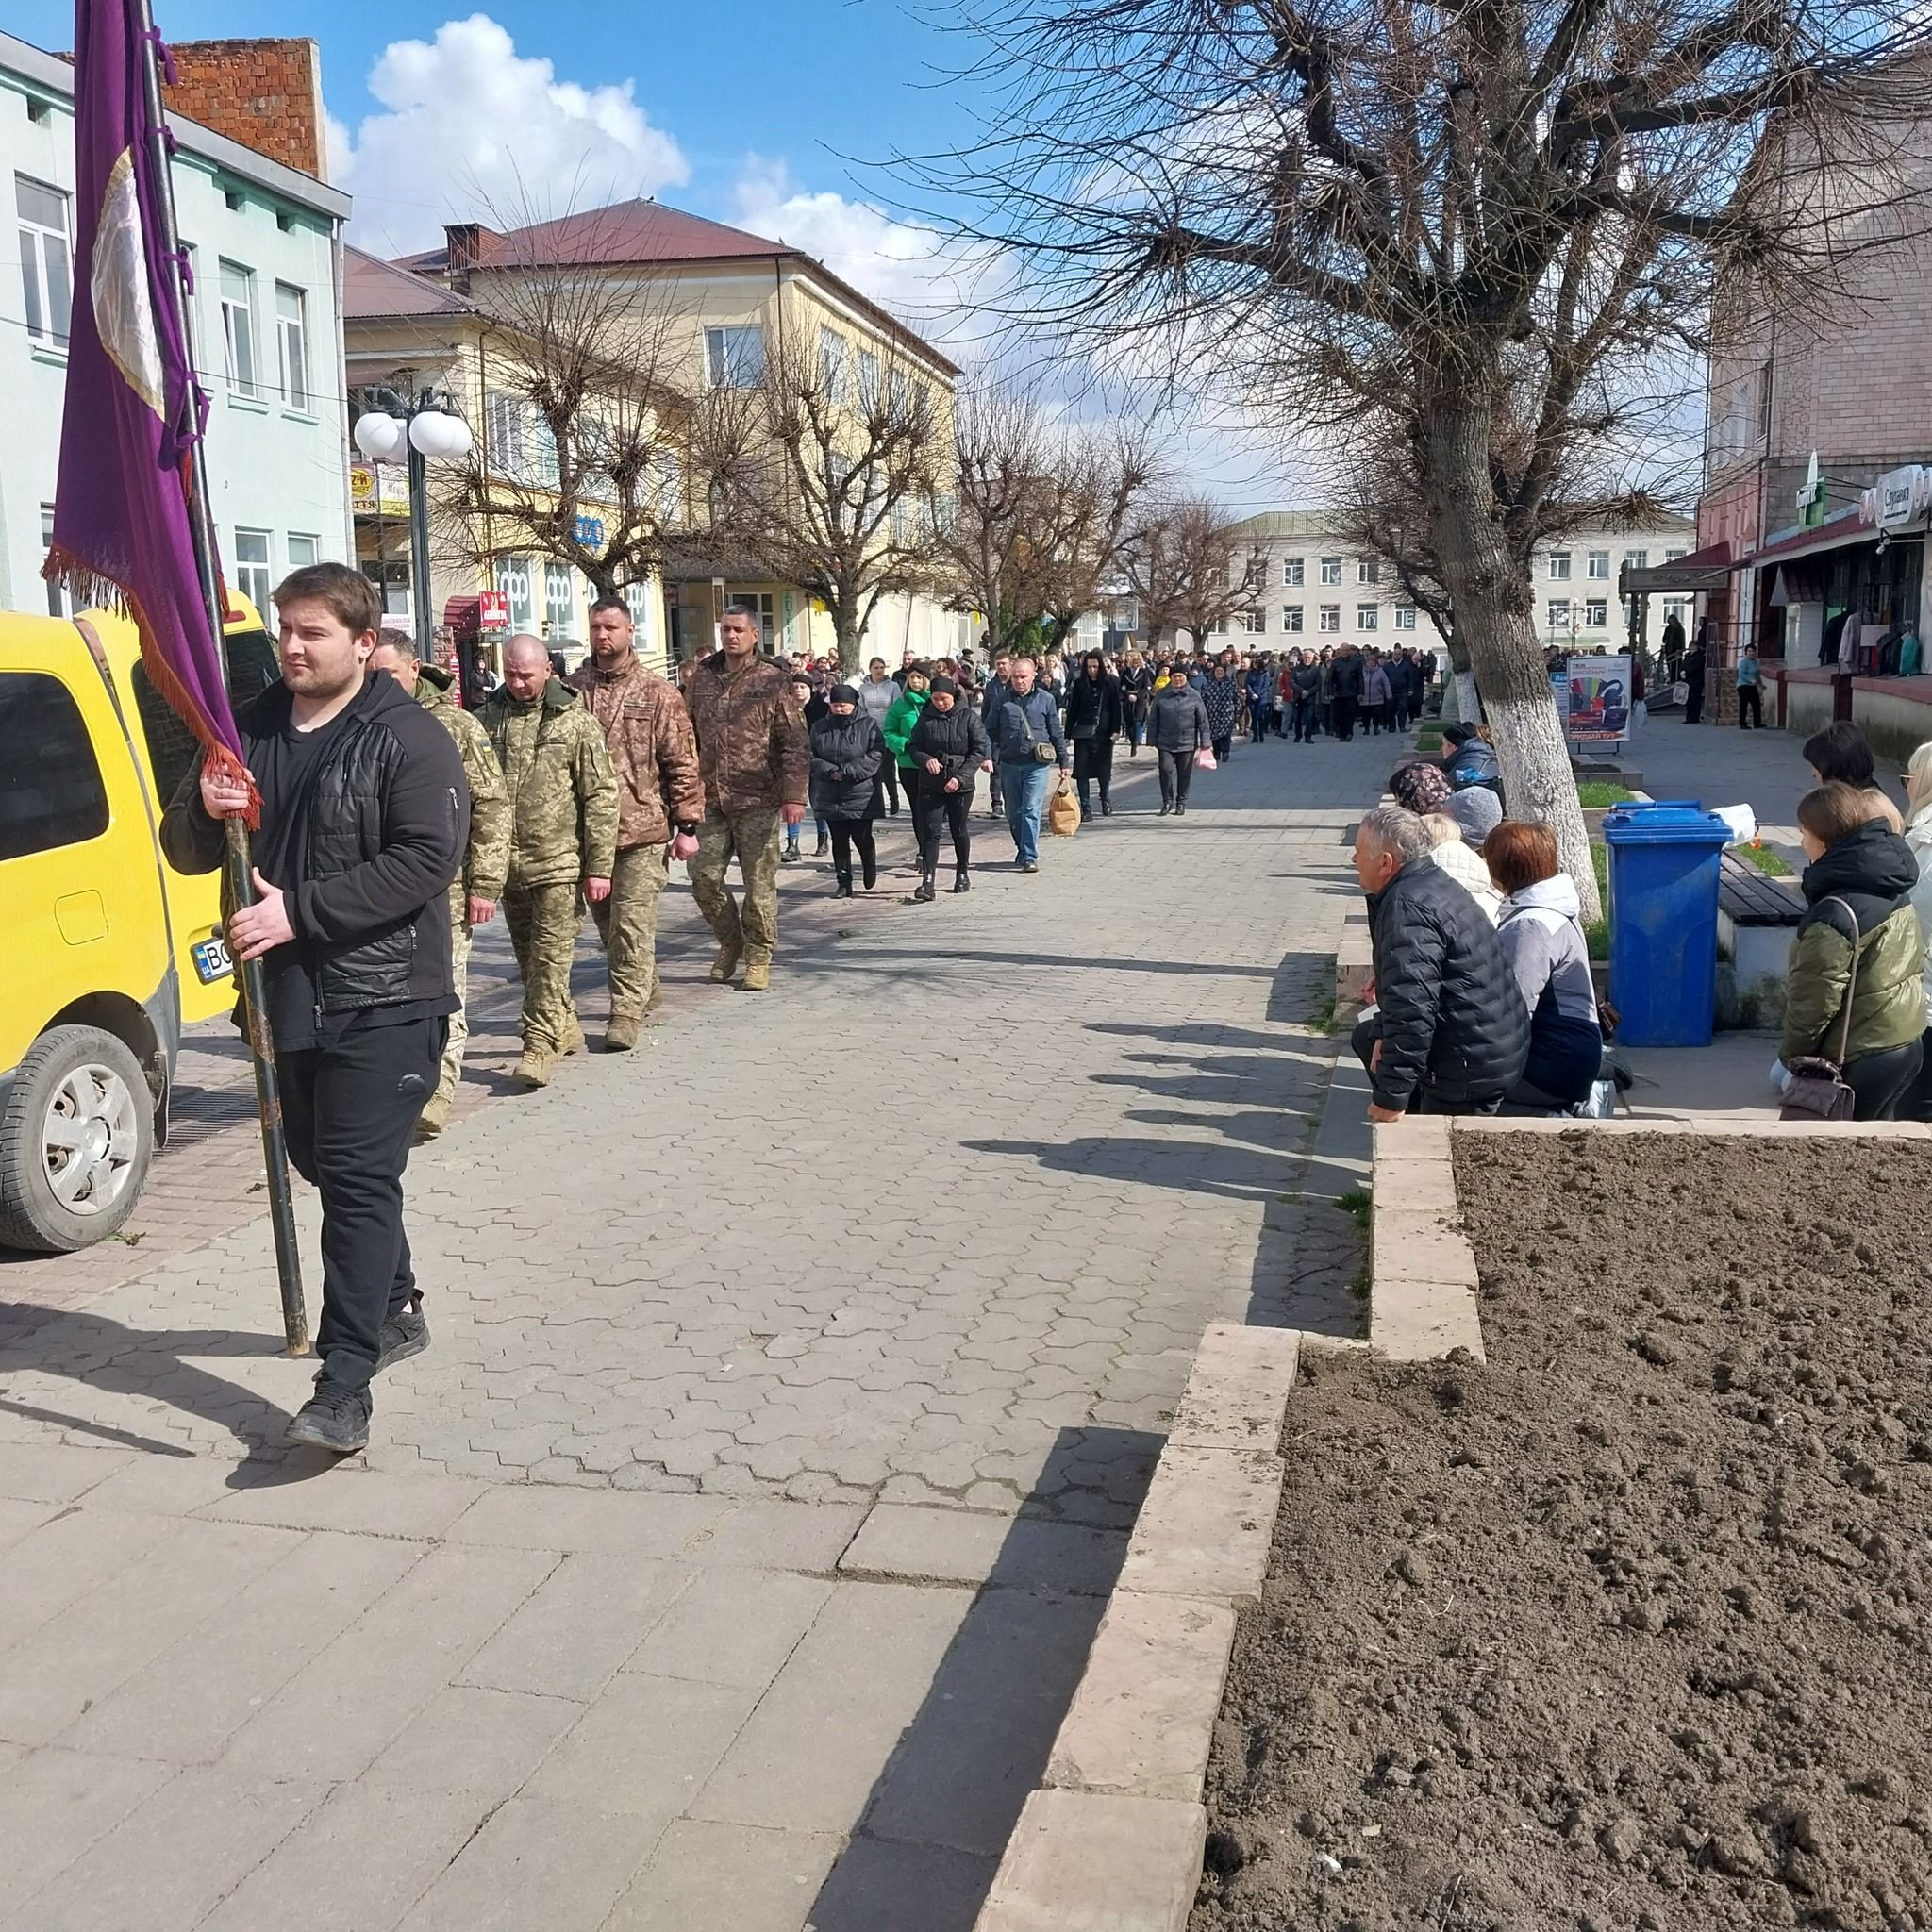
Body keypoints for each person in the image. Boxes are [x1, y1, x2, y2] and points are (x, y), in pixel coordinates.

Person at [160, 563, 467, 1454]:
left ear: (363, 644)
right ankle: (397, 1302)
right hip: (286, 999)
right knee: (323, 1164)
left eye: (315, 633)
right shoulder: (248, 725)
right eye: (287, 630)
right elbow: (184, 847)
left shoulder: (409, 738)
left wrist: (301, 909)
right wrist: (206, 804)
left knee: (360, 1185)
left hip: (387, 994)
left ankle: (343, 1387)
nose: (293, 646)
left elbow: (423, 860)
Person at [367, 631, 509, 1137]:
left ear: (414, 669)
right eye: (370, 673)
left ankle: (436, 1096)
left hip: (444, 895)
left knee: (445, 993)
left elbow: (491, 806)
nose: (377, 683)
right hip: (378, 896)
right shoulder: (358, 723)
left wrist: (485, 883)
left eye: (387, 673)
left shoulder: (455, 726)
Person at [478, 634, 618, 1088]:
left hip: (559, 862)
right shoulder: (487, 718)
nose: (518, 683)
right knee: (527, 959)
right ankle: (565, 1024)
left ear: (547, 671)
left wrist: (599, 866)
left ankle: (538, 1045)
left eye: (527, 675)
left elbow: (600, 796)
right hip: (508, 865)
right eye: (512, 674)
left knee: (551, 960)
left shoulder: (575, 723)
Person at [565, 597, 706, 1049]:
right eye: (595, 627)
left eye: (611, 627)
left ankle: (623, 1013)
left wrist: (687, 825)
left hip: (643, 828)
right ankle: (646, 985)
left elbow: (682, 761)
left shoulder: (657, 693)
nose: (602, 635)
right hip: (590, 833)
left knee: (632, 927)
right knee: (610, 931)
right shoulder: (571, 690)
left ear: (630, 631)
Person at [1349, 806, 1530, 1120]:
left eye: (1358, 852)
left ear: (1385, 862)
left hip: (1469, 1064)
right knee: (1365, 1037)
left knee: (1426, 1154)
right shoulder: (1430, 879)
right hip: (1494, 1044)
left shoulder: (1407, 906)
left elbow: (1412, 1010)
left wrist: (1390, 1098)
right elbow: (1409, 987)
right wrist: (1381, 1034)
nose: (1354, 860)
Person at [1777, 781, 1924, 1118]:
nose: (1801, 843)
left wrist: (1794, 1057)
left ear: (1823, 839)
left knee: (1826, 1154)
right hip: (1905, 1040)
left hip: (1863, 1051)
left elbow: (1815, 998)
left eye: (1804, 833)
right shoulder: (1888, 880)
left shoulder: (1836, 911)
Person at [683, 603, 810, 991]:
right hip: (710, 799)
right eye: (725, 629)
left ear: (755, 635)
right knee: (703, 878)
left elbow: (795, 741)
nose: (731, 636)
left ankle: (758, 954)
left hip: (758, 797)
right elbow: (685, 736)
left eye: (739, 629)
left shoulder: (773, 680)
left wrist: (794, 795)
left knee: (758, 884)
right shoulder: (702, 678)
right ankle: (730, 940)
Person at [1484, 819, 1604, 1110]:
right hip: (1574, 1051)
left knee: (1442, 1072)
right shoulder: (1554, 909)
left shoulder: (1530, 926)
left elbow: (1511, 1011)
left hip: (1555, 1062)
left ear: (1502, 868)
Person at [906, 673, 991, 896]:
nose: (940, 703)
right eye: (935, 699)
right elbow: (913, 747)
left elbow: (978, 750)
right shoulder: (926, 718)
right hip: (931, 784)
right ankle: (928, 880)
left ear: (953, 696)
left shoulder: (969, 717)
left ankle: (962, 873)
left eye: (944, 698)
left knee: (958, 830)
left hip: (960, 784)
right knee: (931, 831)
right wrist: (926, 759)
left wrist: (960, 777)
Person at [984, 653, 1070, 871]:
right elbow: (988, 731)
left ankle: (1029, 855)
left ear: (1033, 676)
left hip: (1036, 764)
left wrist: (1064, 762)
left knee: (1030, 809)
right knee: (1014, 812)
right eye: (1015, 677)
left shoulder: (1046, 699)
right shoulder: (1002, 701)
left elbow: (1056, 732)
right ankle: (1022, 849)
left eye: (1023, 677)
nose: (1019, 681)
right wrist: (986, 756)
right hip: (1010, 763)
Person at [808, 684, 886, 897]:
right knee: (839, 839)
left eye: (843, 705)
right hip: (829, 791)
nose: (839, 709)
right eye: (835, 705)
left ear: (853, 704)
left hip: (860, 791)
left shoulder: (869, 726)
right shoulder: (819, 727)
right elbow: (810, 755)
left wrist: (848, 771)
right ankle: (844, 882)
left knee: (862, 836)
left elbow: (877, 754)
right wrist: (829, 771)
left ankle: (869, 863)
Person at [1902, 742, 1932, 1121]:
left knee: (1918, 1112)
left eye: (1908, 778)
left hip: (1925, 999)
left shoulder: (1925, 843)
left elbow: (1916, 919)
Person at [1804, 721, 1904, 831]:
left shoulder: (1867, 811)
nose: (1813, 773)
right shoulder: (1858, 800)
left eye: (1816, 766)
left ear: (1835, 769)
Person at [1066, 649, 1124, 818]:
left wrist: (1116, 730)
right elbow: (1073, 710)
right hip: (1083, 733)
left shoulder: (1110, 683)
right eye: (1090, 667)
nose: (1092, 670)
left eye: (1096, 667)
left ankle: (1105, 799)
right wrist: (1068, 733)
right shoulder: (1079, 684)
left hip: (1104, 733)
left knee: (1103, 770)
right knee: (1082, 771)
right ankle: (1086, 808)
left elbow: (1115, 708)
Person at [1149, 661, 1211, 816]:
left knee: (1184, 773)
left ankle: (1181, 802)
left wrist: (1206, 742)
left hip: (1187, 742)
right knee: (1165, 769)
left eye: (1180, 677)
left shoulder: (1194, 695)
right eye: (1175, 677)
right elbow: (1153, 719)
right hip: (1165, 741)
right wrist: (1152, 739)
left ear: (1186, 678)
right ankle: (1167, 801)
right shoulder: (1162, 694)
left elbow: (1203, 720)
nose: (1177, 680)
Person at [881, 665, 932, 841]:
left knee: (932, 810)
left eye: (919, 677)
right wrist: (904, 745)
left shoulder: (936, 701)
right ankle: (922, 849)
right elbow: (888, 731)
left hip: (932, 764)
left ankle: (931, 846)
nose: (915, 681)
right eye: (912, 678)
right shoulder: (901, 705)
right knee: (917, 808)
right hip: (909, 764)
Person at [858, 657, 903, 816]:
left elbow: (897, 706)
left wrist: (890, 728)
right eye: (876, 667)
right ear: (870, 669)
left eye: (882, 667)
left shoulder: (893, 686)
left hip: (888, 731)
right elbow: (861, 709)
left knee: (889, 770)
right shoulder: (863, 688)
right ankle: (878, 803)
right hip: (871, 732)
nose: (879, 670)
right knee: (874, 770)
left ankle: (894, 799)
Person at [982, 649, 1015, 817]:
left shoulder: (1016, 683)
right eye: (998, 664)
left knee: (1011, 770)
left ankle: (1012, 802)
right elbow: (985, 710)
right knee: (995, 770)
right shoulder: (991, 685)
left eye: (1004, 664)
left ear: (1011, 665)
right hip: (995, 734)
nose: (1001, 667)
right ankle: (996, 804)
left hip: (1012, 734)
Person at [1202, 658, 1240, 764]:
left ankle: (1225, 751)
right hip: (1212, 713)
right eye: (1217, 671)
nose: (1219, 673)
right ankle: (1216, 752)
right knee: (1214, 734)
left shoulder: (1230, 684)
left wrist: (1237, 711)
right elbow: (1203, 699)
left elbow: (1237, 698)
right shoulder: (1209, 685)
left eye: (1221, 671)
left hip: (1226, 713)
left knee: (1225, 733)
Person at [1120, 649, 1153, 754]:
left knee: (1137, 722)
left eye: (1137, 663)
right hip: (1128, 699)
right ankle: (1131, 739)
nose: (1135, 665)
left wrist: (1137, 696)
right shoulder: (1125, 672)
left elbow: (1145, 687)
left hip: (1139, 700)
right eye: (1133, 663)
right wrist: (1128, 695)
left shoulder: (1144, 672)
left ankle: (1135, 743)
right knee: (1128, 722)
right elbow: (1122, 686)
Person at [1331, 641, 1364, 741]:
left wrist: (1361, 692)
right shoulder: (1335, 662)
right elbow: (1330, 678)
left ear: (1349, 651)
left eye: (1346, 650)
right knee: (1339, 715)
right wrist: (1330, 692)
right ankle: (1342, 734)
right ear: (1340, 651)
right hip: (1338, 693)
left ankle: (1349, 733)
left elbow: (1360, 678)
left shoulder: (1356, 662)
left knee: (1349, 715)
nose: (1345, 652)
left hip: (1352, 692)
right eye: (1343, 650)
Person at [1243, 657, 1273, 744]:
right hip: (1252, 697)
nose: (1254, 665)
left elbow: (1266, 685)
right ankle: (1255, 736)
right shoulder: (1250, 673)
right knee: (1253, 717)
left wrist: (1258, 694)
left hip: (1262, 697)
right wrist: (1252, 694)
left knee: (1259, 716)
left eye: (1256, 663)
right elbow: (1247, 684)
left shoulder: (1265, 673)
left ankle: (1261, 735)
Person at [1361, 651, 1391, 735]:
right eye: (1369, 662)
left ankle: (1376, 728)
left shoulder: (1380, 672)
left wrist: (1388, 694)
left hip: (1377, 698)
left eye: (1372, 662)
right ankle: (1366, 728)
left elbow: (1386, 683)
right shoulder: (1362, 673)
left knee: (1376, 714)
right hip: (1365, 698)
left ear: (1375, 663)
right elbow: (1358, 683)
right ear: (1366, 663)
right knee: (1365, 715)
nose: (1371, 664)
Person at [1735, 640, 1763, 729]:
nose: (1751, 653)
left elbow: (1757, 674)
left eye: (1753, 651)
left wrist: (1761, 684)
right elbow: (1741, 673)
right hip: (1743, 685)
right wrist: (1750, 680)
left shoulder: (1756, 662)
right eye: (1749, 651)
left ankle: (1757, 723)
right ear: (1746, 652)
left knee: (1756, 704)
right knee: (1744, 704)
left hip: (1752, 686)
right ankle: (1742, 723)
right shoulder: (1744, 662)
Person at [1682, 628, 1707, 724]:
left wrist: (1686, 672)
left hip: (1696, 681)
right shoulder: (1688, 656)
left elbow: (1697, 668)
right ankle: (1688, 718)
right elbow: (1683, 665)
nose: (1692, 648)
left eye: (1694, 647)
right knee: (1688, 700)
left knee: (1695, 700)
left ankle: (1694, 718)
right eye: (1691, 646)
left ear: (1697, 647)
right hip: (1687, 681)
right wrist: (1682, 671)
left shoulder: (1700, 657)